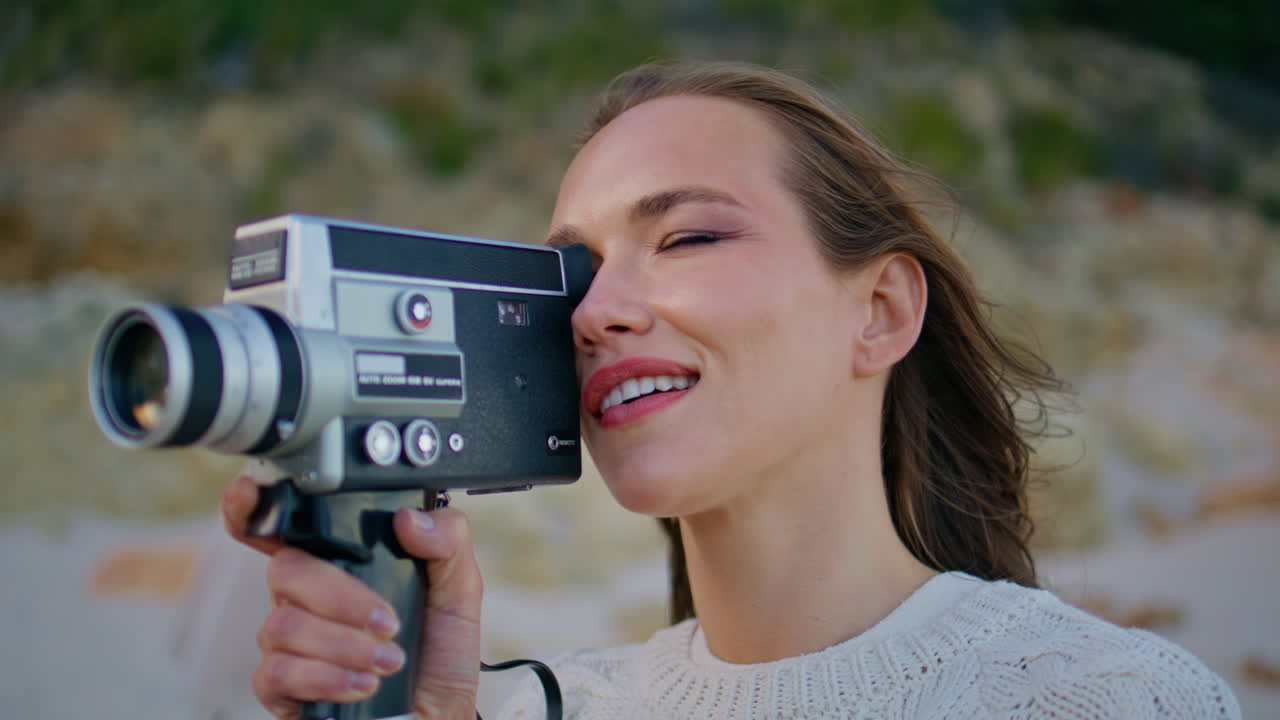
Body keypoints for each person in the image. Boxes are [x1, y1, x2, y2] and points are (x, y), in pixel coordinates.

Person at [221, 61, 1242, 719]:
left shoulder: (1100, 700)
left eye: (688, 236)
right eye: (574, 271)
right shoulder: (521, 709)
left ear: (879, 309)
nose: (592, 312)